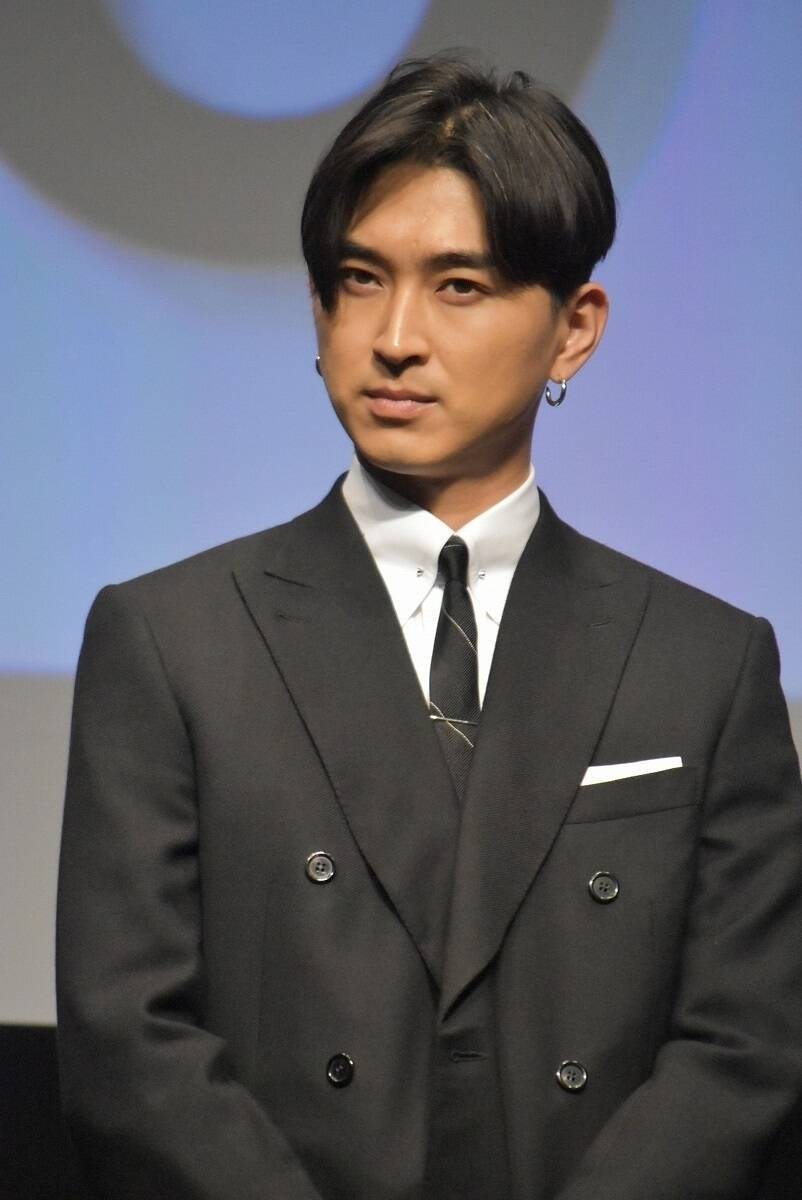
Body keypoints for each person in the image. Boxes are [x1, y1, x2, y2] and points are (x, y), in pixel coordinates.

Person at [57, 55, 802, 1200]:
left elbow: (744, 1046)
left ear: (573, 329)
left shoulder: (704, 663)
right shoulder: (171, 640)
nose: (394, 336)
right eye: (359, 279)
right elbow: (128, 1042)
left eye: (459, 285)